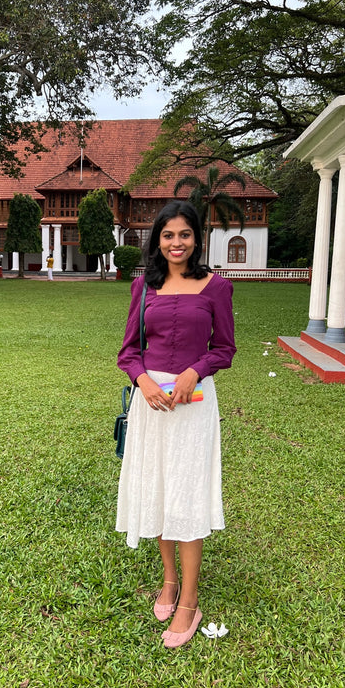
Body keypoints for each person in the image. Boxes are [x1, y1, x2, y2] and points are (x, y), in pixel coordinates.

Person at [116, 200, 236, 649]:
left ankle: (190, 598)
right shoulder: (141, 288)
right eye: (168, 235)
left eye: (185, 235)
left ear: (196, 238)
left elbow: (224, 348)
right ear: (157, 240)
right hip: (152, 407)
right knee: (160, 491)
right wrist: (143, 381)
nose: (177, 243)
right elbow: (128, 351)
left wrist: (195, 370)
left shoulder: (216, 287)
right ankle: (169, 581)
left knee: (186, 494)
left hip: (194, 408)